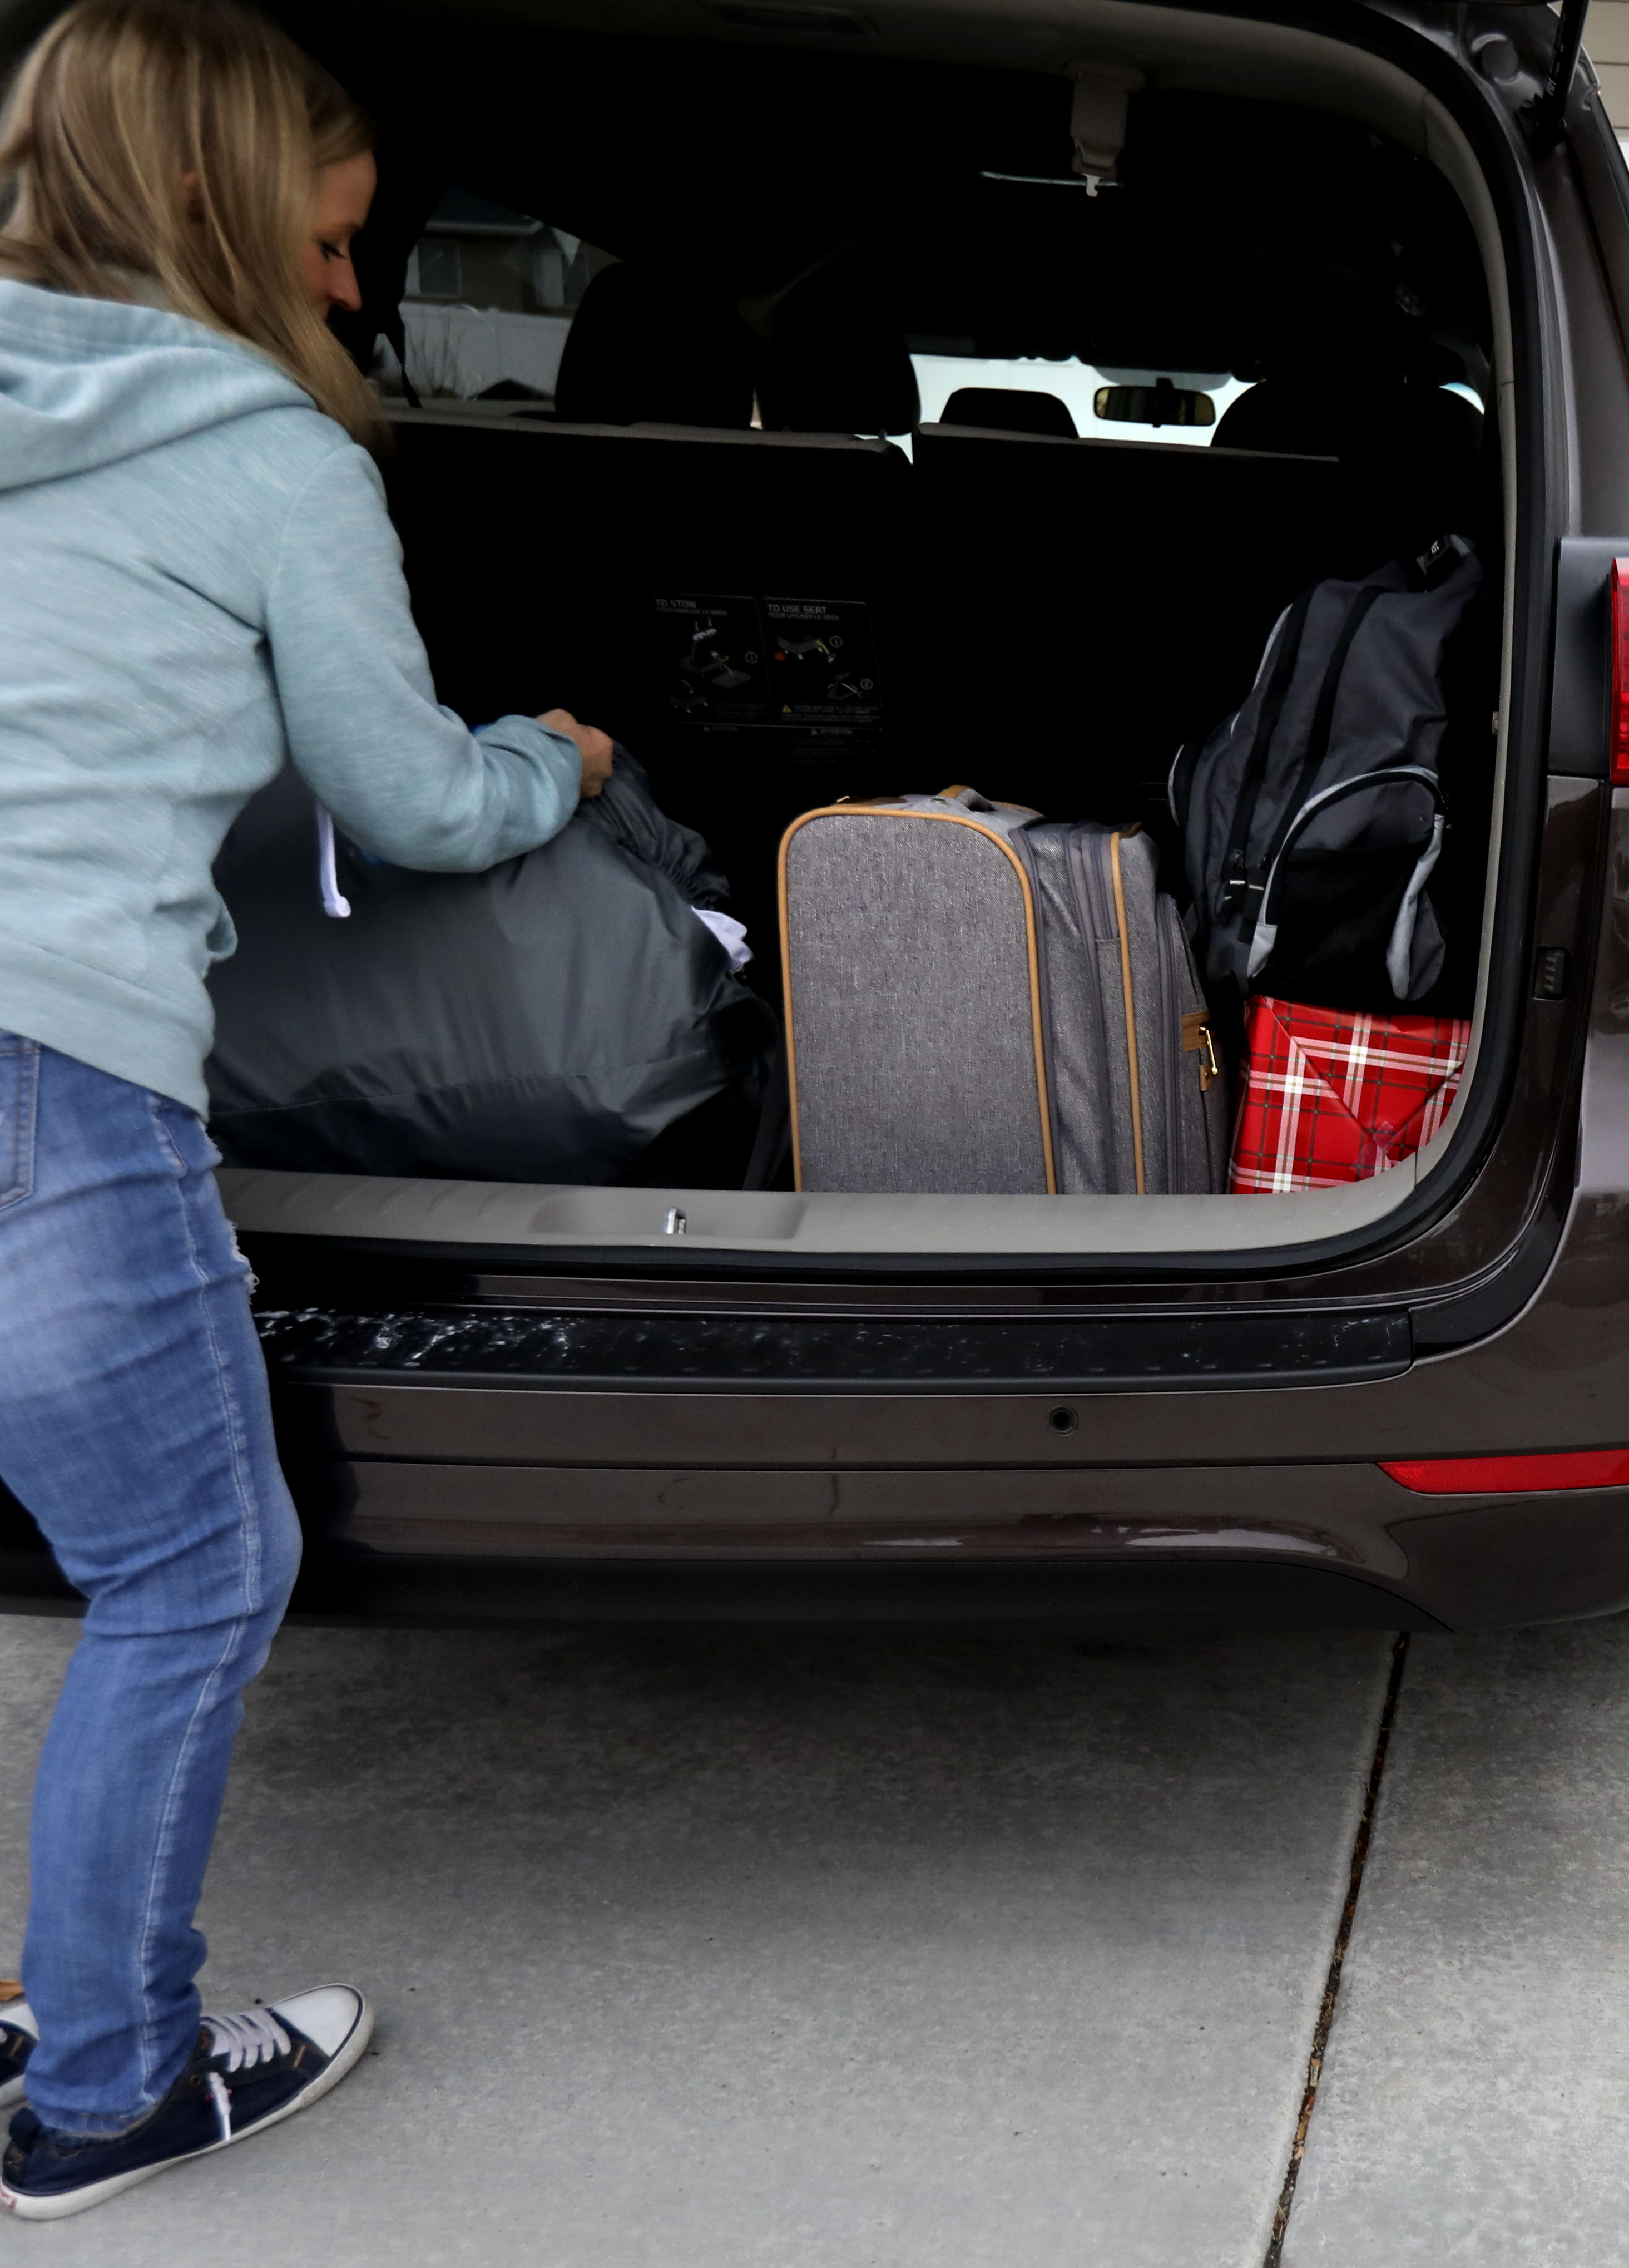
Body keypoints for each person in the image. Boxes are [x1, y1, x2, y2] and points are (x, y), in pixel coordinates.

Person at [0, 0, 613, 2214]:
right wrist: (562, 761)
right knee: (194, 1564)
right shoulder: (274, 458)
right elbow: (410, 801)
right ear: (211, 209)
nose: (354, 293)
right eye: (336, 244)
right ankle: (106, 2093)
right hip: (44, 1065)